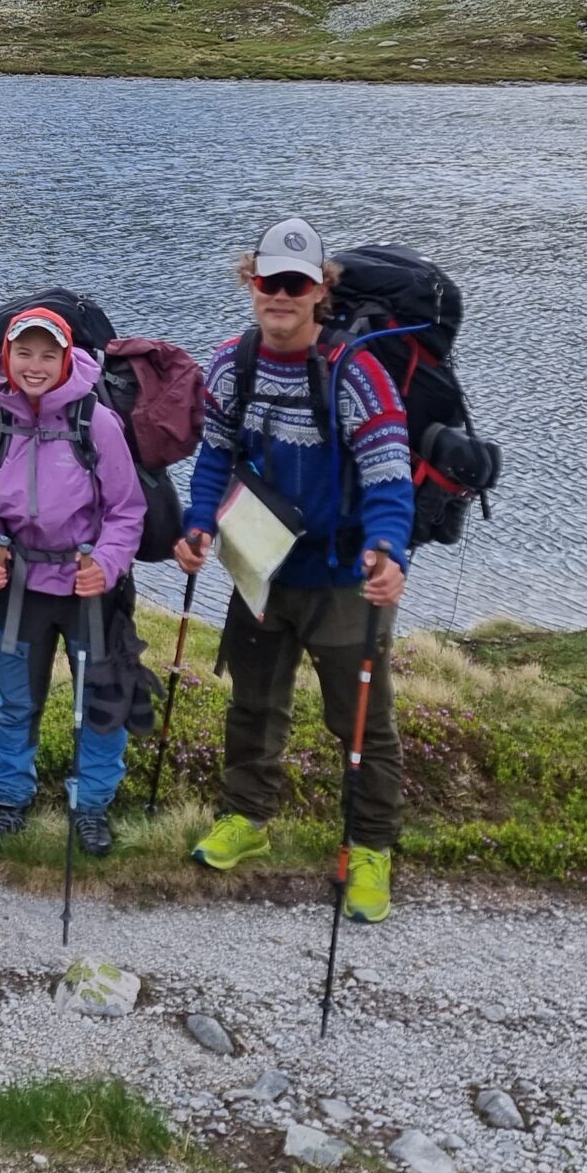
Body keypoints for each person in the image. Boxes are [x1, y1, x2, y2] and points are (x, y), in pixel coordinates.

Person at [172, 216, 413, 922]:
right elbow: (215, 456)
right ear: (251, 283)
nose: (280, 295)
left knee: (361, 722)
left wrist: (388, 551)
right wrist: (196, 525)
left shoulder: (355, 374)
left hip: (343, 577)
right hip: (259, 566)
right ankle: (246, 818)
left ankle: (369, 850)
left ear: (318, 291)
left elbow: (389, 479)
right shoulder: (230, 365)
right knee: (254, 701)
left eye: (295, 284)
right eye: (268, 281)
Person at [0, 306, 145, 858]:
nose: (35, 365)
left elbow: (126, 509)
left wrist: (107, 565)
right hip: (19, 585)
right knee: (16, 698)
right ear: (6, 356)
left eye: (47, 353)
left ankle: (91, 806)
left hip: (90, 584)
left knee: (102, 697)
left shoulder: (97, 422)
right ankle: (10, 800)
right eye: (24, 352)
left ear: (67, 357)